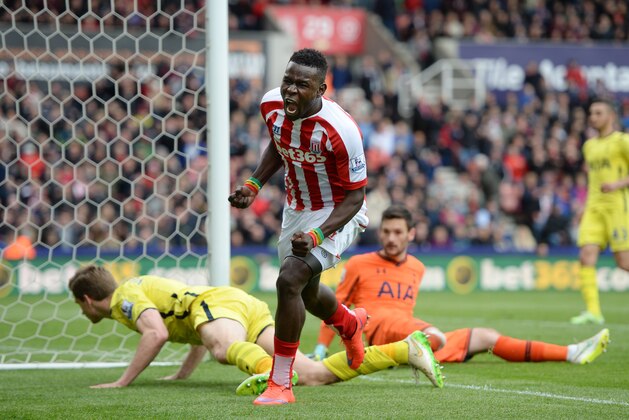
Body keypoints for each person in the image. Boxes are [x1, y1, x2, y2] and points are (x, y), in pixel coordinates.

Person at [228, 48, 370, 405]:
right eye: (287, 81)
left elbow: (355, 198)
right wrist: (253, 185)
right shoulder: (270, 106)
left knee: (289, 279)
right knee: (305, 292)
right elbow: (280, 145)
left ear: (321, 89)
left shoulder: (343, 131)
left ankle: (281, 383)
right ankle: (349, 324)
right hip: (296, 211)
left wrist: (318, 234)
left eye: (301, 85)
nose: (290, 90)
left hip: (337, 212)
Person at [309, 205, 610, 365]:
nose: (390, 237)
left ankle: (571, 353)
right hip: (376, 331)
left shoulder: (418, 267)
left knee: (485, 336)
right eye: (386, 231)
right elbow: (333, 308)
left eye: (398, 232)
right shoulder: (360, 263)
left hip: (411, 338)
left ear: (411, 234)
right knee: (426, 333)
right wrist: (321, 349)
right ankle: (423, 343)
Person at [68, 265, 443, 391]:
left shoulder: (123, 298)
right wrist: (182, 374)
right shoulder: (136, 287)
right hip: (238, 307)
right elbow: (192, 330)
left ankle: (271, 375)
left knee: (222, 349)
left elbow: (157, 333)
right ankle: (406, 349)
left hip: (218, 307)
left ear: (87, 300)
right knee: (312, 375)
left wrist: (122, 383)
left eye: (80, 306)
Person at [571, 98, 629, 325]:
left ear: (610, 116)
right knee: (586, 256)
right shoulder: (589, 146)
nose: (592, 117)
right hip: (594, 208)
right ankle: (594, 312)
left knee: (624, 262)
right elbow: (593, 180)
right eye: (591, 113)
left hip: (618, 207)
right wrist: (583, 207)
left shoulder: (622, 142)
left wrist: (617, 184)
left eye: (598, 113)